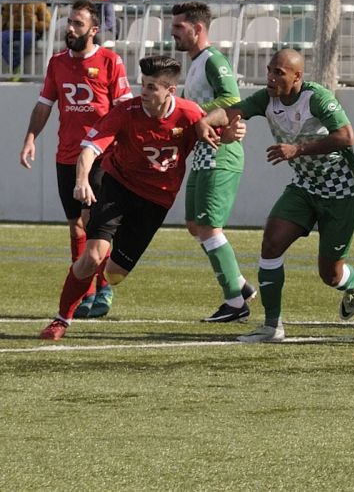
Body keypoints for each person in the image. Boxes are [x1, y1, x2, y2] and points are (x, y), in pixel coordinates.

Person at [39, 54, 244, 341]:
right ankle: (61, 319)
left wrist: (232, 134)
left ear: (170, 91)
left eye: (152, 87)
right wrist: (83, 180)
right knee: (92, 256)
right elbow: (89, 150)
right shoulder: (125, 111)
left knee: (114, 275)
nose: (144, 92)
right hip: (117, 186)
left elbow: (221, 133)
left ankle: (107, 252)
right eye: (143, 85)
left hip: (155, 201)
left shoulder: (189, 114)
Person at [196, 48, 354, 343]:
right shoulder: (267, 98)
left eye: (279, 73)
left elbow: (346, 136)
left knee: (331, 275)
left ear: (298, 76)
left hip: (341, 191)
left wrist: (297, 149)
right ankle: (272, 326)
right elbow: (232, 111)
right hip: (304, 187)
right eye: (269, 71)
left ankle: (353, 280)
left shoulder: (318, 98)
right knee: (271, 243)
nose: (271, 78)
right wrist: (206, 121)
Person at [21, 0, 131, 320]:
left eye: (78, 24)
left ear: (94, 30)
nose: (70, 28)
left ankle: (103, 287)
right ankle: (89, 291)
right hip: (66, 156)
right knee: (76, 225)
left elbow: (124, 109)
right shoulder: (57, 63)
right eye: (69, 22)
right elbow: (44, 105)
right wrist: (30, 138)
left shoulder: (110, 61)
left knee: (95, 224)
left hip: (102, 156)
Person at [171, 1, 257, 323]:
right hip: (204, 152)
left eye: (179, 27)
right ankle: (241, 286)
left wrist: (196, 113)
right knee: (195, 225)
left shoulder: (213, 60)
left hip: (221, 151)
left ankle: (235, 303)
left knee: (207, 226)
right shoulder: (195, 63)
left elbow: (233, 101)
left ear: (198, 29)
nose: (172, 32)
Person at [1, 0, 50, 74]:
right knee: (1, 37)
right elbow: (4, 18)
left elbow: (46, 22)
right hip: (13, 30)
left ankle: (14, 66)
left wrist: (34, 25)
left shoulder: (39, 4)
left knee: (26, 39)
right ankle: (15, 64)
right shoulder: (10, 4)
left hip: (30, 31)